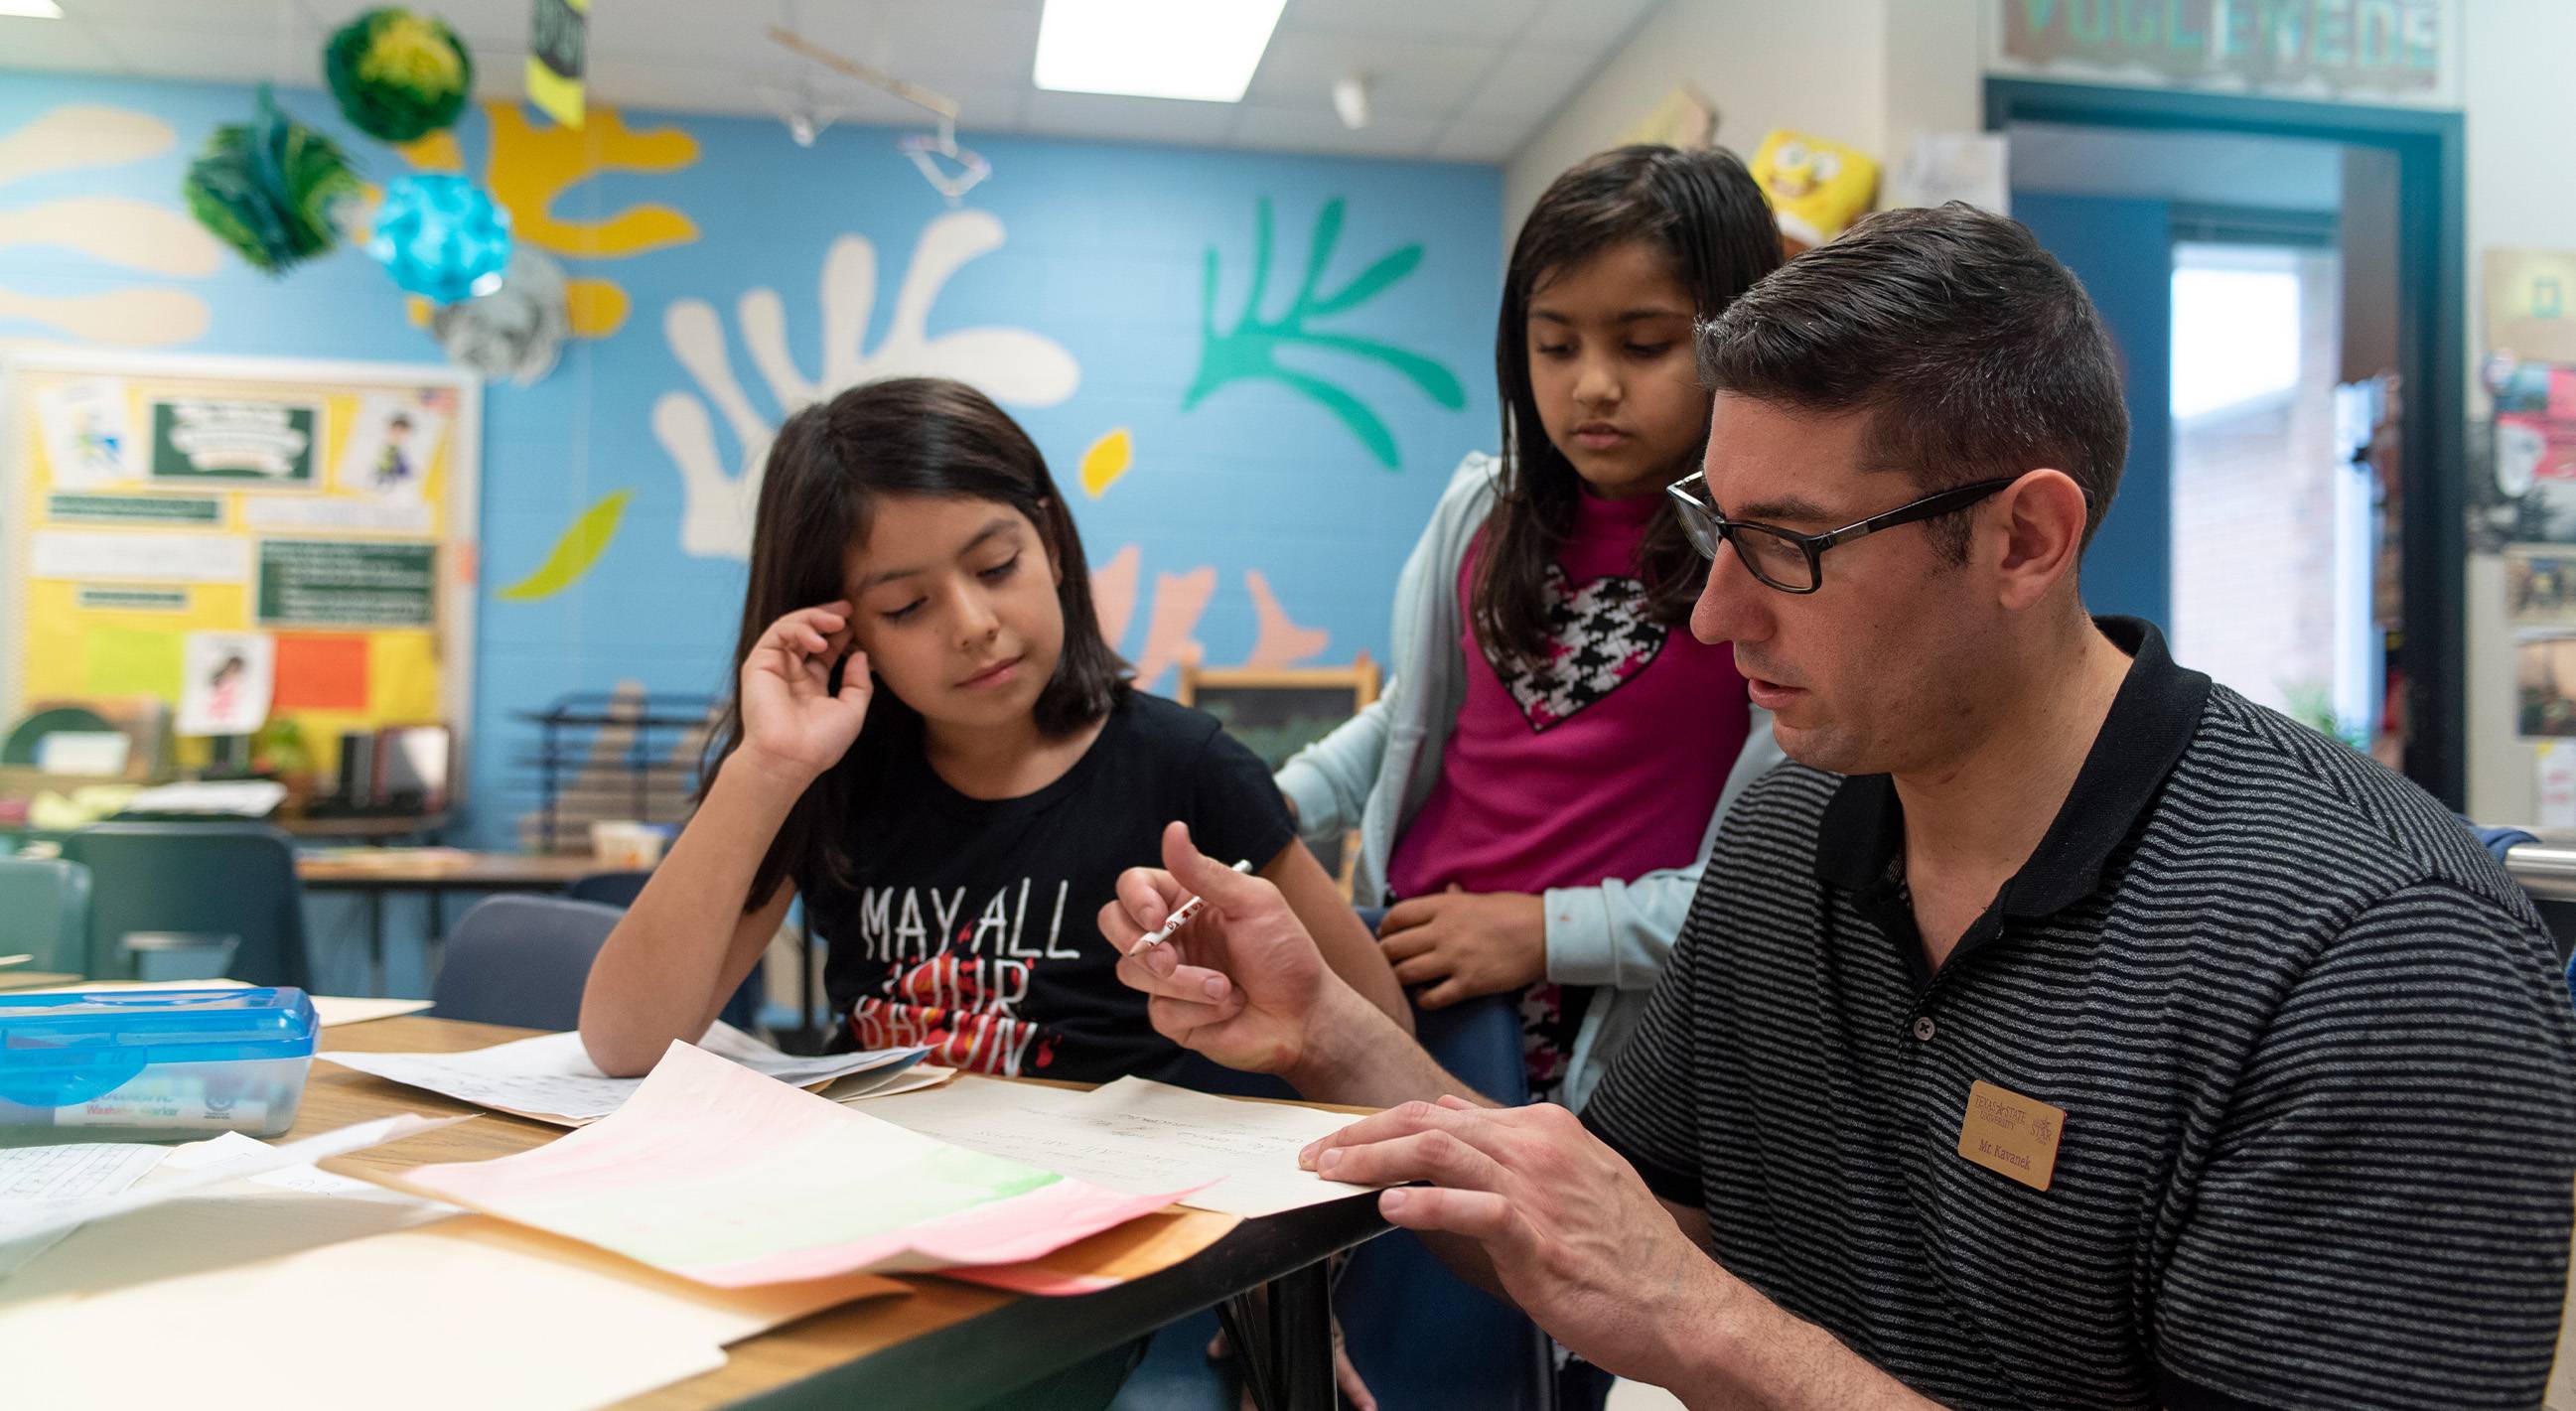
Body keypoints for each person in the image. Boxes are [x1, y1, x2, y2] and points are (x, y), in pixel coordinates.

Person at [1103, 205, 2576, 1410]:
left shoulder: (2381, 958)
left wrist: (1709, 1331)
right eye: (1709, 529)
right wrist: (1333, 1032)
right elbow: (1615, 1236)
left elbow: (1671, 1296)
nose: (1710, 615)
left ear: (2023, 538)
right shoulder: (1793, 831)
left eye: (1790, 546)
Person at [579, 376, 1408, 1088]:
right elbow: (625, 1042)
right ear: (842, 628)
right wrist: (767, 766)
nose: (974, 624)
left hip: (1124, 1230)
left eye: (995, 567)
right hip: (877, 1201)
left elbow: (1380, 1032)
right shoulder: (829, 778)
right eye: (907, 607)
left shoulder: (1186, 767)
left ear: (1049, 544)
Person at [1277, 143, 1786, 1111]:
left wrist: (1544, 930)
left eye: (1642, 345)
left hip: (1613, 1017)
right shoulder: (1482, 510)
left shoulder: (1768, 561)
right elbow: (1418, 715)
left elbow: (1757, 889)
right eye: (1554, 346)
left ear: (1734, 334)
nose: (1590, 385)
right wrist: (1279, 802)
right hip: (1414, 976)